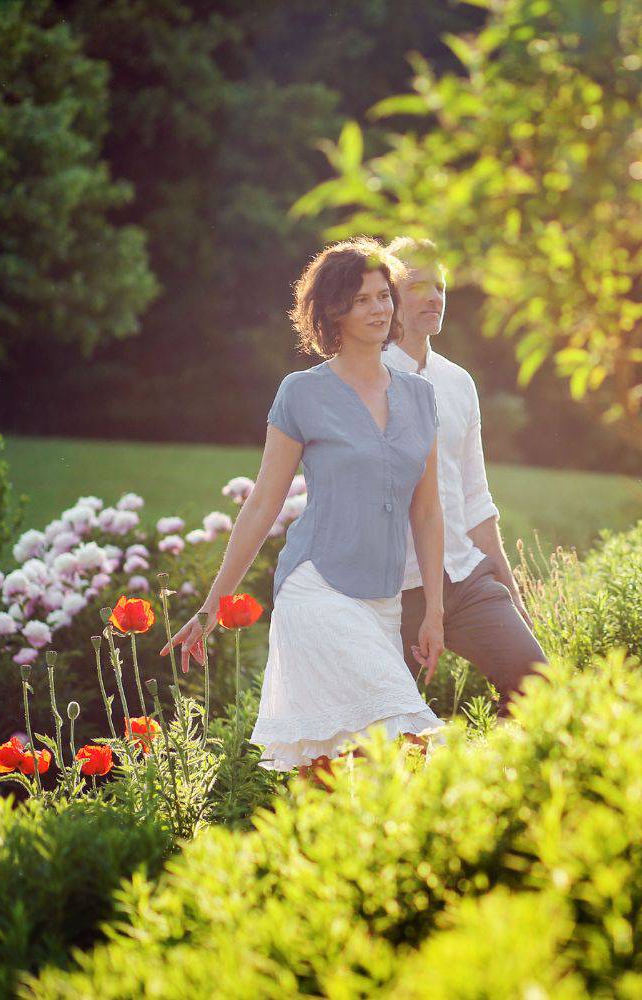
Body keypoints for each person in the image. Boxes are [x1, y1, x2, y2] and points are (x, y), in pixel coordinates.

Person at [163, 237, 447, 788]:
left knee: (343, 766)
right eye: (361, 299)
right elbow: (263, 503)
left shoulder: (420, 397)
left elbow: (429, 510)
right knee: (399, 736)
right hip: (317, 586)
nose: (378, 308)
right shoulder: (302, 393)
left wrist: (433, 611)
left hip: (383, 600)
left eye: (383, 295)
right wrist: (212, 605)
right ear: (332, 312)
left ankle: (329, 865)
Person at [382, 236, 547, 715]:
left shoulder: (458, 382)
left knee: (538, 689)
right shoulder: (367, 380)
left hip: (465, 575)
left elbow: (475, 495)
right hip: (396, 588)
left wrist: (509, 586)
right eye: (417, 285)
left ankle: (496, 785)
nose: (434, 297)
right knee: (378, 731)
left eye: (440, 285)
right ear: (389, 296)